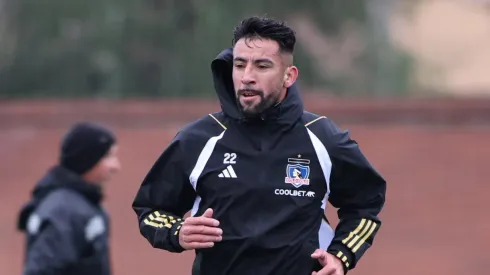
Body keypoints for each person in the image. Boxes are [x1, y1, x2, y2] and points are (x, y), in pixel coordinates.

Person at [132, 16, 386, 275]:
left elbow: (365, 206)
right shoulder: (198, 139)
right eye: (240, 65)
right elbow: (150, 208)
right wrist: (177, 232)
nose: (247, 77)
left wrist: (340, 256)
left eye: (262, 66)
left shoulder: (324, 138)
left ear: (289, 75)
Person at [17, 121, 121, 275]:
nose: (116, 166)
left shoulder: (78, 204)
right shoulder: (63, 210)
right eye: (108, 156)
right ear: (87, 160)